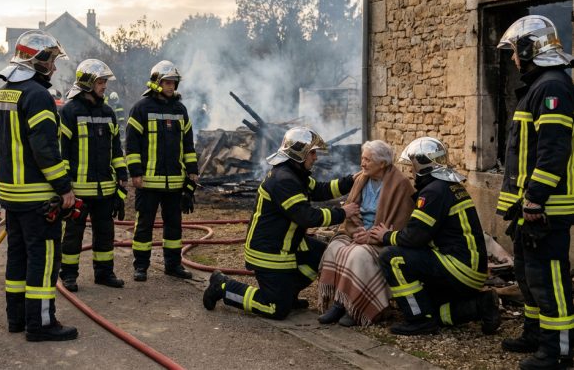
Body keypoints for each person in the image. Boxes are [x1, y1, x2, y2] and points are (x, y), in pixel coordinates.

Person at [202, 127, 359, 320]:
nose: (316, 157)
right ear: (299, 154)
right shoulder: (284, 180)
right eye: (312, 152)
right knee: (275, 308)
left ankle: (287, 293)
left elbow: (320, 190)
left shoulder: (294, 174)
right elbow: (307, 217)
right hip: (269, 252)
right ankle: (224, 286)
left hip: (286, 244)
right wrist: (342, 213)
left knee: (320, 255)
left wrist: (350, 181)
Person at [494, 15, 574, 370]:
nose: (513, 58)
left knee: (550, 278)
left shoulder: (552, 87)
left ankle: (558, 350)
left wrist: (535, 198)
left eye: (514, 51)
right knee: (528, 275)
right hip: (531, 207)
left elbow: (553, 150)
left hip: (547, 207)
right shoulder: (539, 86)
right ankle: (534, 334)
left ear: (530, 49)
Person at [0, 30, 78, 342]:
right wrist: (64, 188)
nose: (55, 67)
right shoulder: (38, 96)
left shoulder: (4, 93)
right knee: (43, 261)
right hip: (38, 196)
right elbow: (45, 149)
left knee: (17, 258)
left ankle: (16, 318)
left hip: (12, 195)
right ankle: (41, 323)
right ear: (37, 59)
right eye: (52, 60)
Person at [369, 136, 500, 336]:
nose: (411, 172)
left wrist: (387, 236)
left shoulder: (433, 192)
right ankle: (481, 305)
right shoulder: (449, 186)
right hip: (471, 269)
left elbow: (414, 237)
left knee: (391, 257)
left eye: (412, 166)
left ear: (423, 166)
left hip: (458, 267)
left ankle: (418, 320)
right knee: (432, 307)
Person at [317, 140, 415, 327]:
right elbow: (351, 210)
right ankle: (339, 303)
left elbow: (401, 223)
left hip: (381, 238)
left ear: (383, 163)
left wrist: (371, 235)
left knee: (357, 254)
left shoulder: (400, 184)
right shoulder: (362, 178)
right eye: (362, 158)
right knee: (334, 248)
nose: (362, 163)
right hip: (358, 230)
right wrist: (357, 230)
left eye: (368, 160)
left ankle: (356, 308)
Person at [125, 60, 198, 281]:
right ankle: (141, 266)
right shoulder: (141, 108)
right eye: (167, 82)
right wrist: (135, 172)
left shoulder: (180, 109)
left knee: (174, 226)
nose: (171, 87)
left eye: (173, 83)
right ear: (156, 82)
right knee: (144, 225)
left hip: (175, 182)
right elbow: (132, 144)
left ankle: (173, 265)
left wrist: (192, 171)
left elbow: (188, 143)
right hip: (148, 181)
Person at [59, 59, 128, 291]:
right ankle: (68, 275)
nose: (104, 86)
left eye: (105, 81)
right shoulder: (69, 111)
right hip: (78, 189)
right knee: (73, 235)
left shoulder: (108, 113)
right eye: (100, 81)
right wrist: (64, 187)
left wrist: (122, 179)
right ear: (87, 82)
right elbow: (63, 152)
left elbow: (116, 150)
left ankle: (104, 273)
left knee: (105, 233)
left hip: (106, 189)